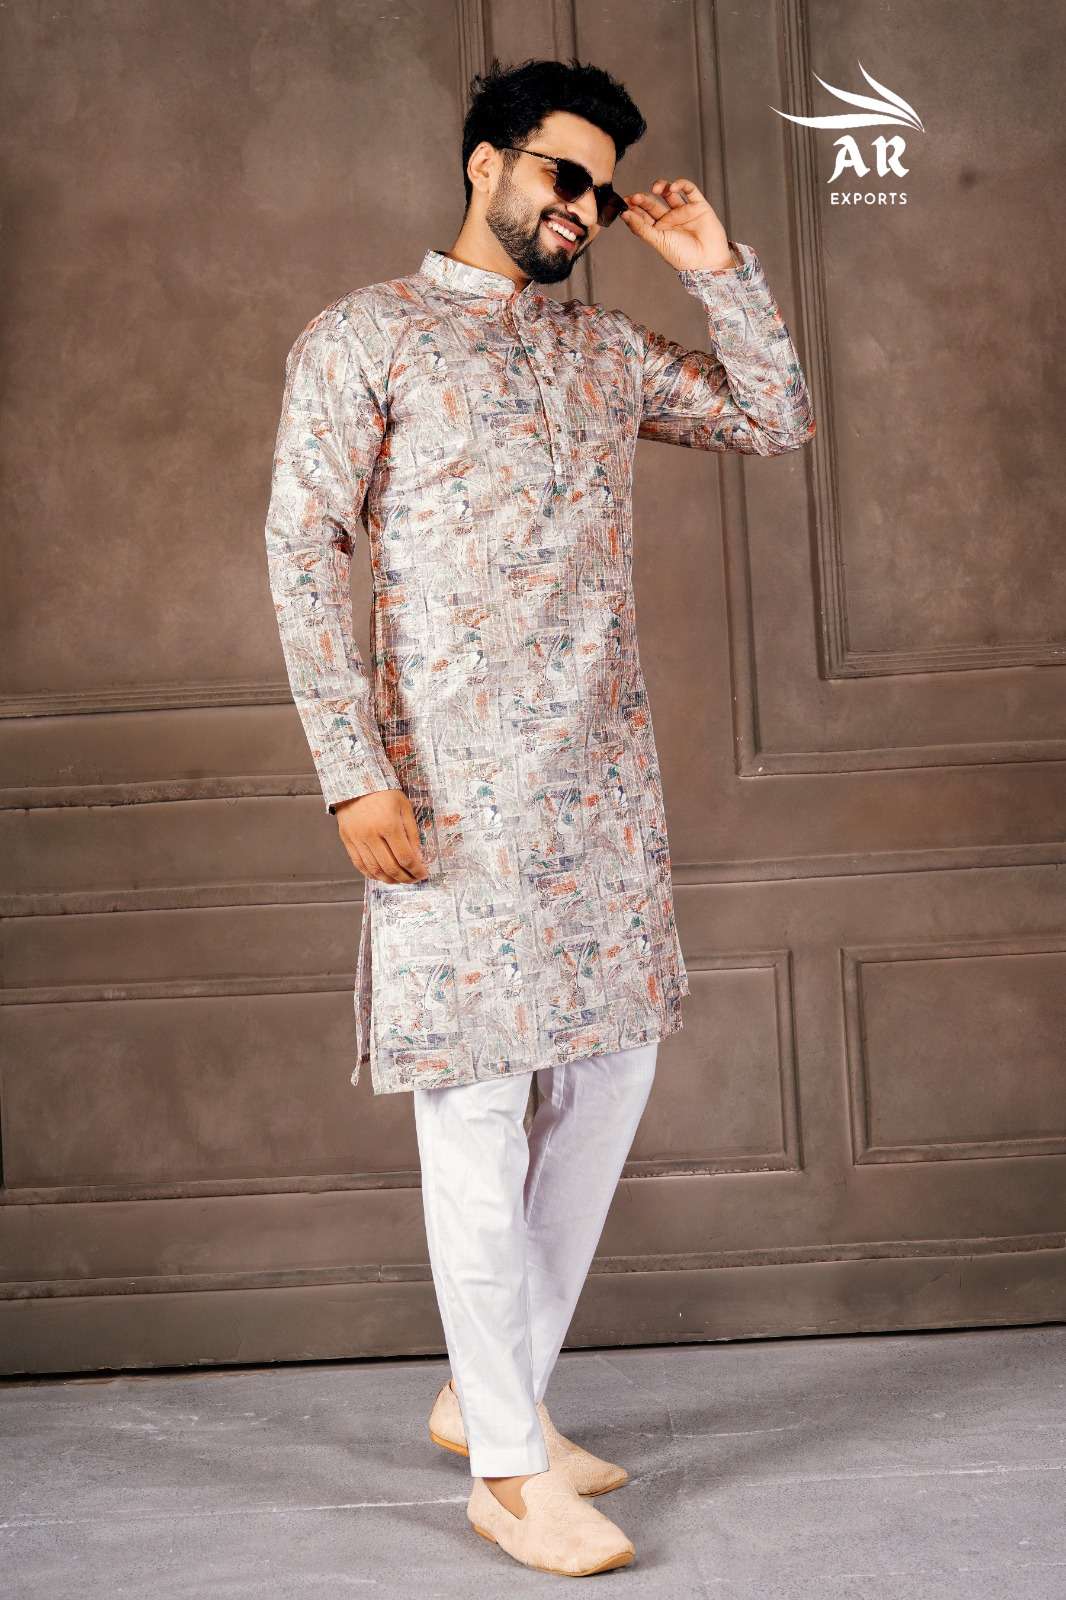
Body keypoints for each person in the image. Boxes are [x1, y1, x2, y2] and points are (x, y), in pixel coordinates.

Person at [264, 54, 816, 1577]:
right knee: (475, 1109)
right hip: (445, 796)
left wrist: (715, 267)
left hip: (602, 795)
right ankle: (508, 1471)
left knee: (610, 1078)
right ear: (487, 164)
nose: (584, 206)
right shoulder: (367, 335)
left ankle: (485, 1393)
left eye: (602, 191)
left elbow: (773, 420)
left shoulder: (604, 352)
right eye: (563, 175)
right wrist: (352, 767)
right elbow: (303, 548)